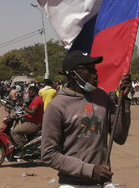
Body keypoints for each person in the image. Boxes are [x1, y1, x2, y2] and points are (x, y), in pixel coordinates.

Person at [41, 50, 132, 187]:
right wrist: (90, 170)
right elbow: (49, 154)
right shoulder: (57, 106)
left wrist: (124, 100)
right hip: (72, 182)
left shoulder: (102, 98)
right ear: (73, 75)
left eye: (94, 69)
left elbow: (120, 137)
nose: (95, 74)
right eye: (88, 70)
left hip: (102, 182)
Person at [11, 86, 44, 157]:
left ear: (33, 92)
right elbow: (30, 112)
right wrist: (20, 116)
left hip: (34, 124)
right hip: (32, 122)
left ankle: (22, 149)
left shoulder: (36, 100)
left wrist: (23, 107)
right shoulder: (36, 99)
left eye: (29, 92)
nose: (28, 93)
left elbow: (32, 112)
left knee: (14, 132)